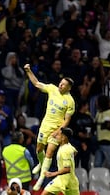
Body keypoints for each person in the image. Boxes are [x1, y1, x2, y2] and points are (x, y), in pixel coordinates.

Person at [23, 63, 75, 191]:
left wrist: (58, 131)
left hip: (57, 129)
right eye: (61, 82)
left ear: (69, 88)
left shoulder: (70, 101)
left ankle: (40, 179)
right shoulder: (52, 89)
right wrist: (28, 71)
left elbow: (67, 120)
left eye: (64, 84)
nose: (60, 85)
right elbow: (36, 84)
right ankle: (40, 164)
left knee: (50, 152)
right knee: (39, 149)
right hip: (45, 126)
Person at [41, 127, 79, 195]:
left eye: (58, 134)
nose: (56, 136)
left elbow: (67, 169)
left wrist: (52, 174)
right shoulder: (68, 146)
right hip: (60, 179)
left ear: (63, 138)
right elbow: (75, 152)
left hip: (69, 183)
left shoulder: (65, 150)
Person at [94, 95, 110, 170]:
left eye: (97, 102)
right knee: (97, 164)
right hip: (99, 143)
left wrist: (109, 124)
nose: (96, 103)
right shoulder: (98, 113)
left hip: (109, 143)